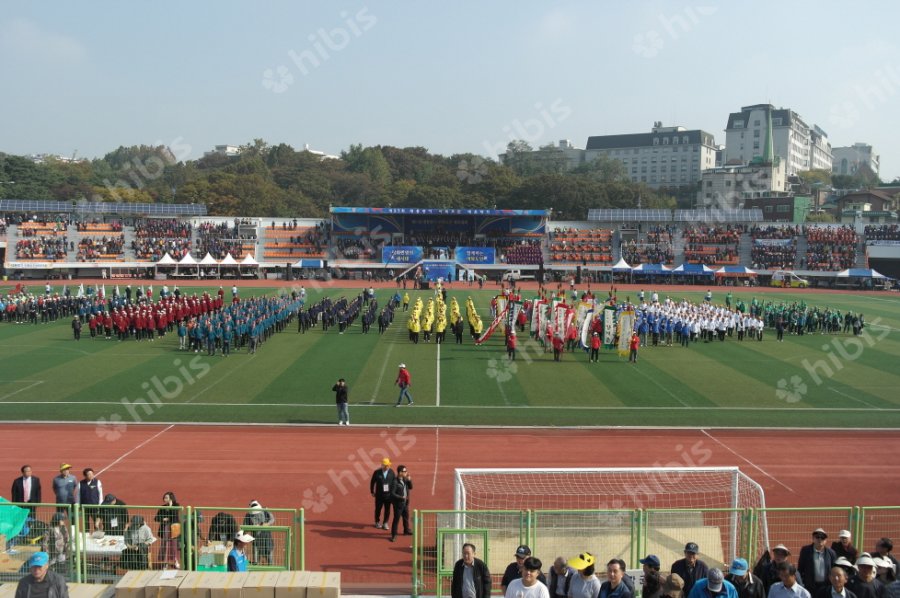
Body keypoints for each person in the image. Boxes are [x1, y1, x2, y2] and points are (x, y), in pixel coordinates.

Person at [798, 528, 837, 595]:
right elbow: (800, 568)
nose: (820, 539)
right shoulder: (805, 551)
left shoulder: (831, 553)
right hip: (810, 586)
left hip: (825, 586)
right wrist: (801, 583)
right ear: (813, 538)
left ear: (826, 540)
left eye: (822, 538)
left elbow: (834, 569)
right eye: (817, 537)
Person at [154, 491, 181, 569]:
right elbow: (156, 518)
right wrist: (163, 519)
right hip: (165, 529)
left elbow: (174, 515)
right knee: (165, 546)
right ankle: (165, 562)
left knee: (174, 545)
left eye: (166, 497)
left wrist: (171, 506)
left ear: (171, 498)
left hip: (174, 529)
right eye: (164, 497)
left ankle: (176, 561)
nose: (164, 499)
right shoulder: (162, 507)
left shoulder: (176, 506)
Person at [244, 501, 275, 565]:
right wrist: (251, 527)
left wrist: (267, 524)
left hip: (267, 538)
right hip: (256, 540)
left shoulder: (266, 511)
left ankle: (271, 568)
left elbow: (272, 519)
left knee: (270, 558)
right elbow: (245, 528)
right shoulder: (248, 515)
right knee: (256, 561)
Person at [389, 465, 413, 542]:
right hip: (398, 504)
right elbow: (392, 493)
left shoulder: (405, 479)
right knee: (396, 519)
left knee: (406, 517)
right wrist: (401, 497)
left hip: (405, 503)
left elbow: (411, 487)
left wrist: (409, 480)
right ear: (400, 472)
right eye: (404, 471)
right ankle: (394, 535)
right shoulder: (395, 482)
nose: (406, 472)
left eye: (406, 471)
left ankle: (406, 530)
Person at [369, 458, 395, 530]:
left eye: (388, 465)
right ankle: (377, 522)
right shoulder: (377, 472)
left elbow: (394, 483)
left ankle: (385, 523)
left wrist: (394, 493)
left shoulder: (391, 472)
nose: (387, 467)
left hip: (388, 495)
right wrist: (372, 491)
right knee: (378, 509)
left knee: (387, 510)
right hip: (379, 495)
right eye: (385, 465)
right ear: (382, 465)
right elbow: (372, 482)